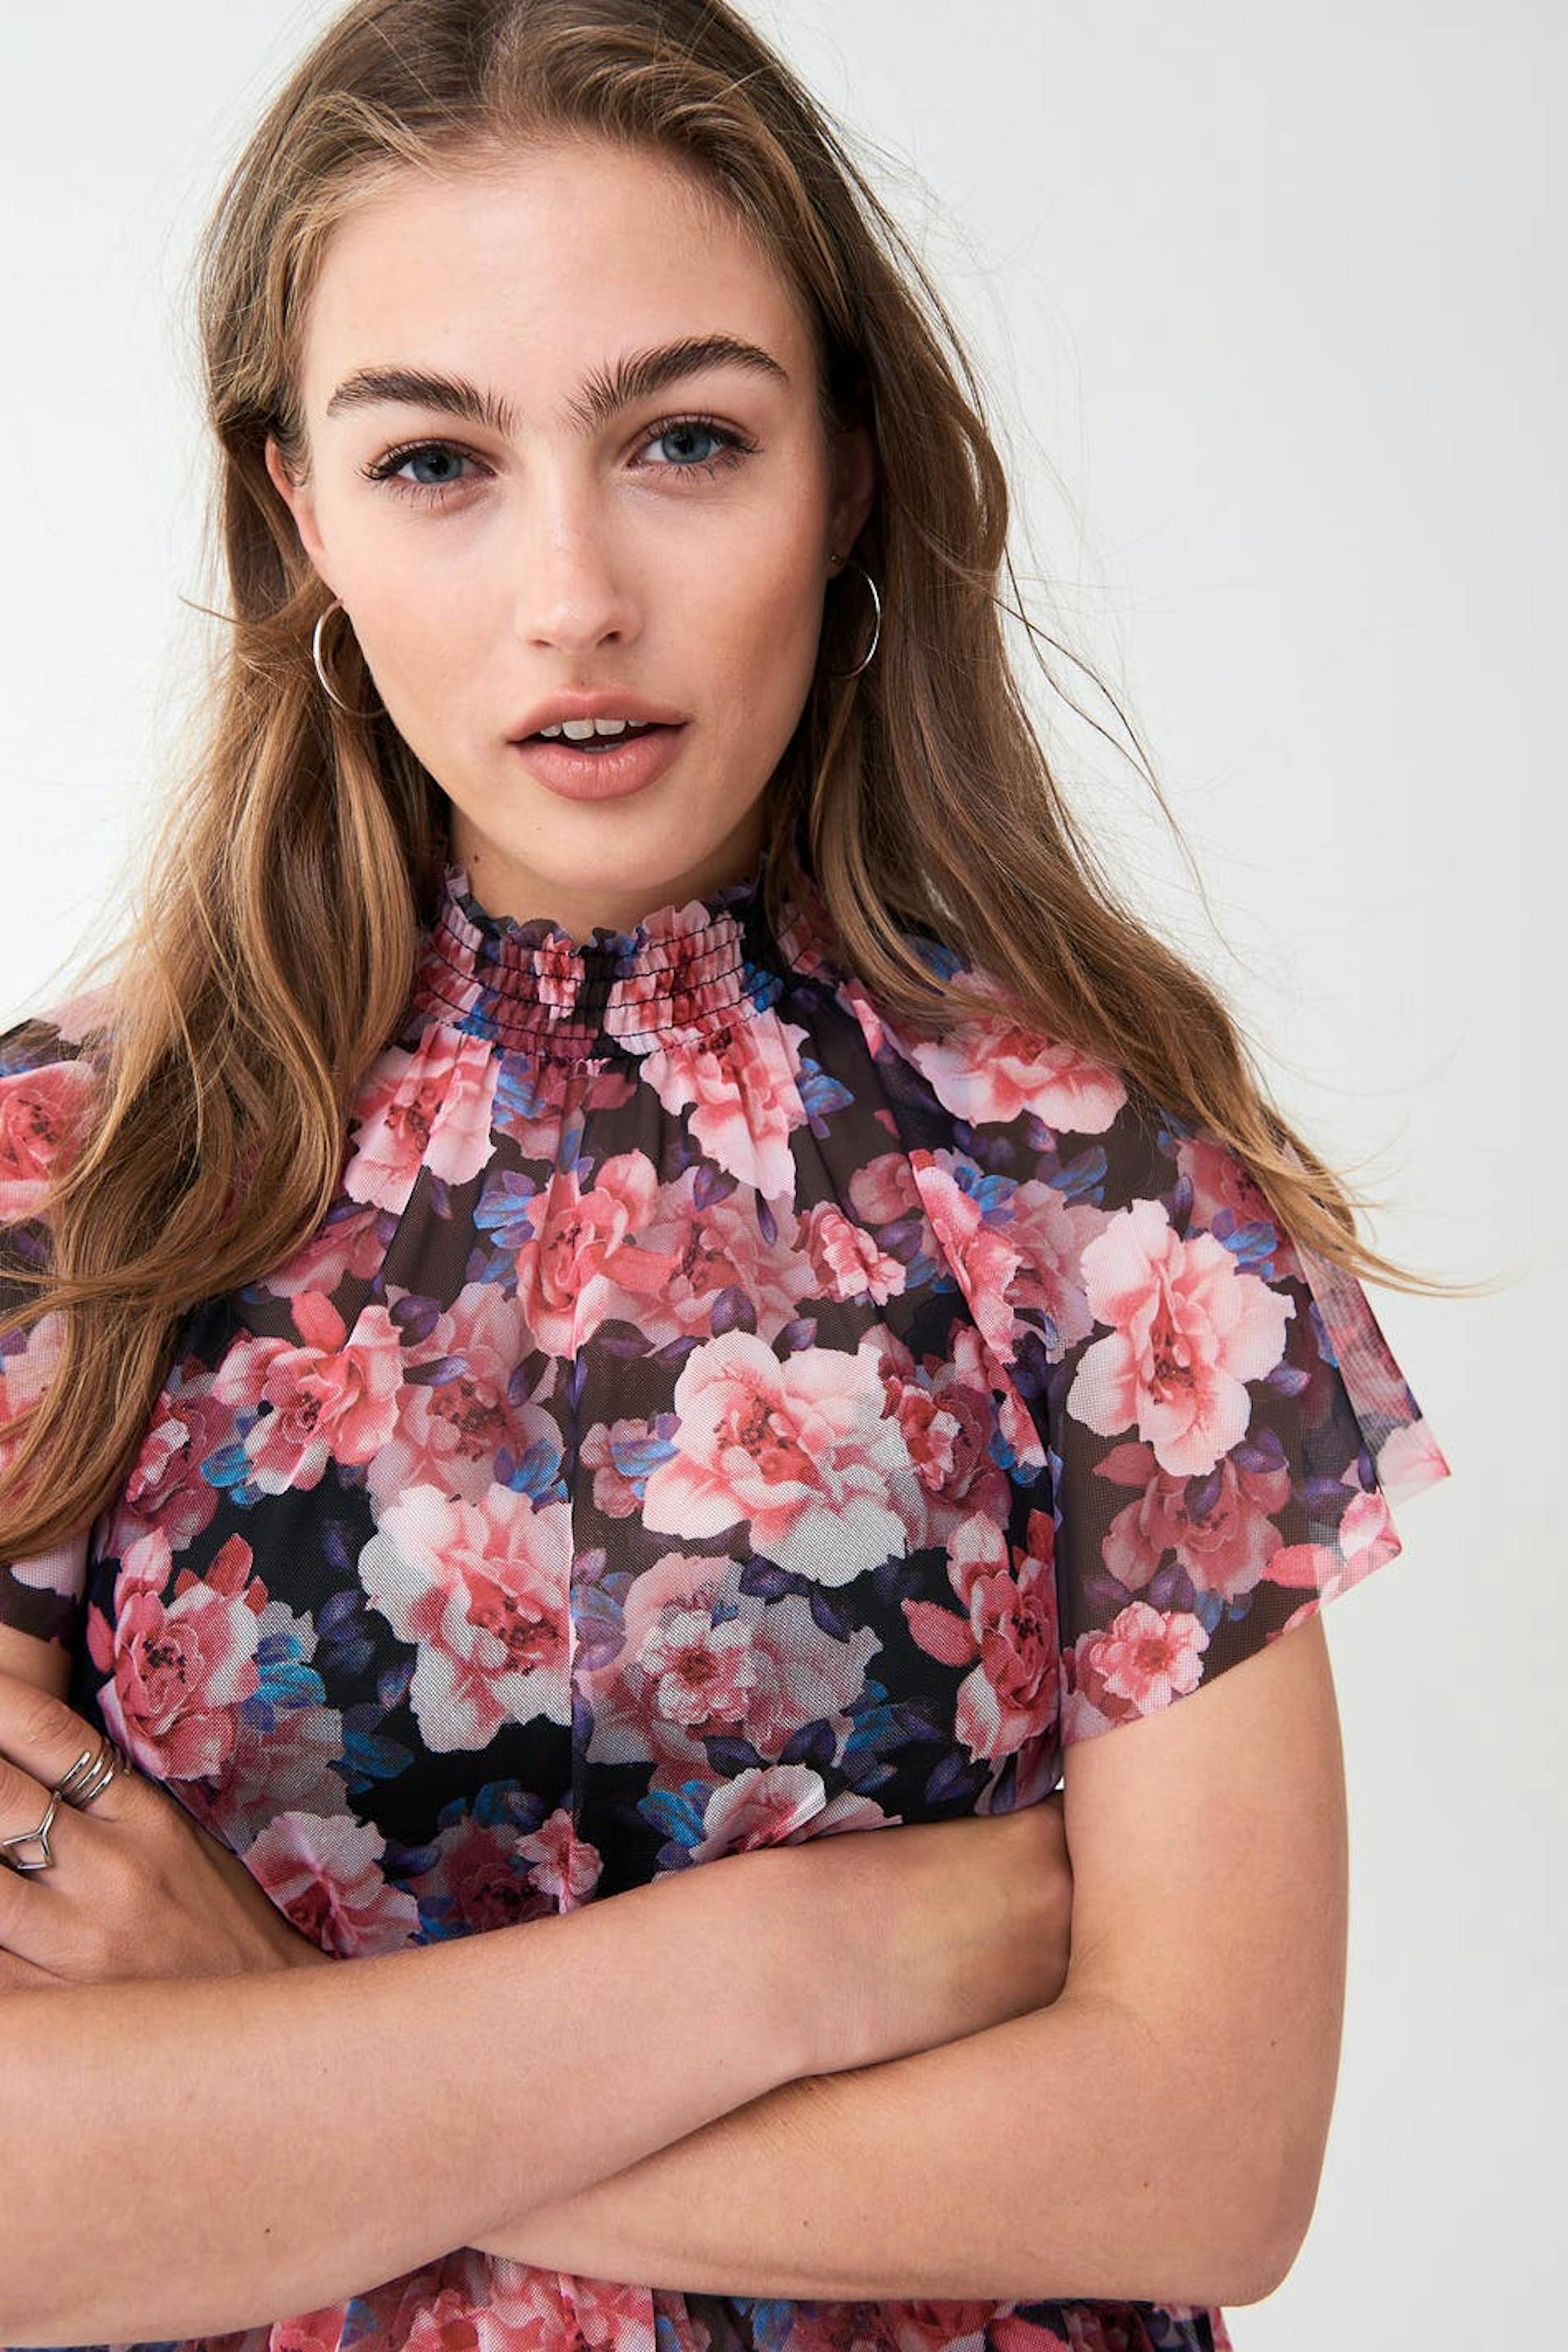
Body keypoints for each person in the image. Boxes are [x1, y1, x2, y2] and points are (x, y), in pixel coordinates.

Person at [0, 1, 1457, 2346]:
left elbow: (1200, 2170)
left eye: (684, 439)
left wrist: (262, 2045)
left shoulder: (1107, 1189)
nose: (574, 592)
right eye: (436, 462)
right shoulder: (62, 1191)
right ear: (298, 514)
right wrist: (791, 1965)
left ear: (848, 473)